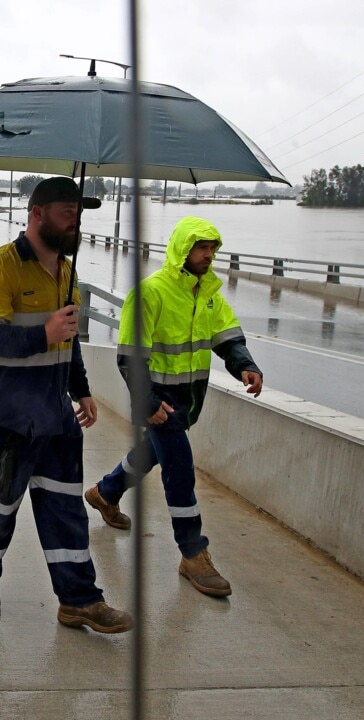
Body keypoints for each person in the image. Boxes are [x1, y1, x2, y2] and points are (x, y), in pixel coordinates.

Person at [0, 176, 133, 634]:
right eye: (67, 212)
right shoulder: (2, 266)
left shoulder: (68, 273)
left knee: (66, 510)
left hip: (56, 414)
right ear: (37, 214)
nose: (75, 222)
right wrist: (44, 333)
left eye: (78, 214)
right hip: (7, 415)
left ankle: (79, 599)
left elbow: (69, 340)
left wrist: (81, 390)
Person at [85, 216, 263, 598]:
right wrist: (147, 401)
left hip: (187, 399)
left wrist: (245, 365)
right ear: (183, 248)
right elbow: (131, 354)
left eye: (213, 248)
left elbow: (227, 336)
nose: (209, 255)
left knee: (151, 453)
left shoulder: (208, 293)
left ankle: (106, 492)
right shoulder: (151, 292)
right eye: (202, 248)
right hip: (159, 399)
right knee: (180, 471)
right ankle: (193, 553)